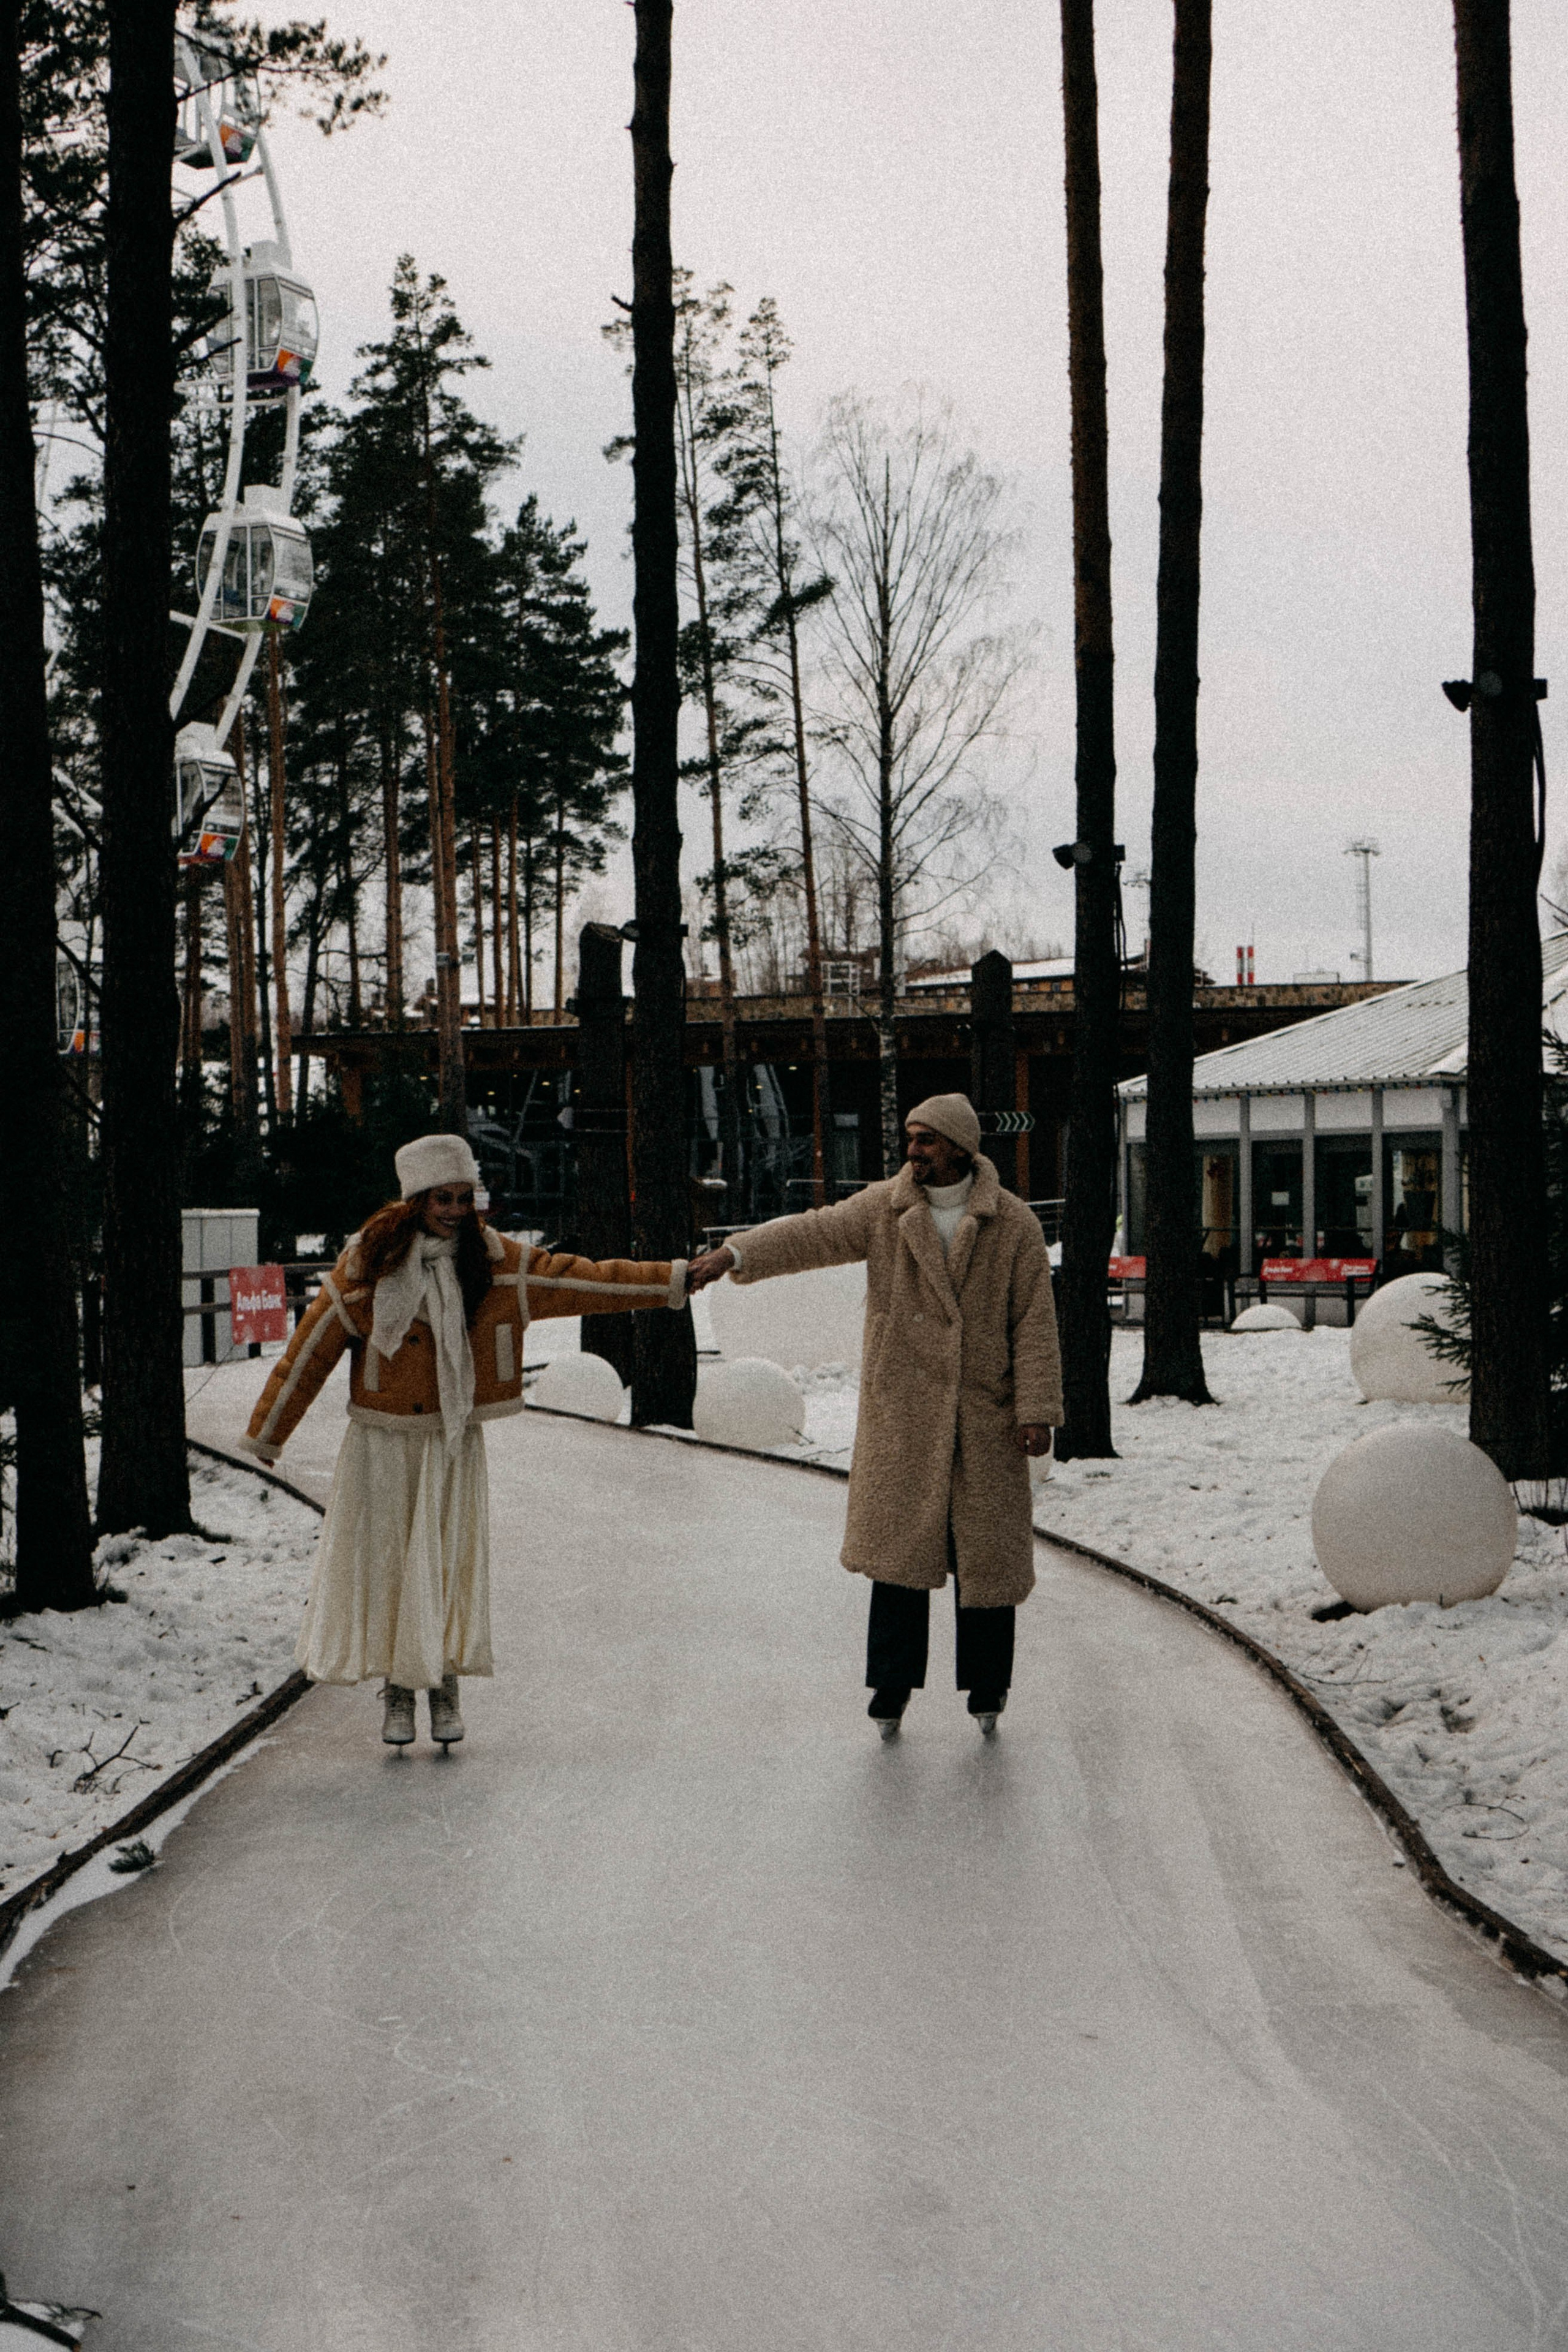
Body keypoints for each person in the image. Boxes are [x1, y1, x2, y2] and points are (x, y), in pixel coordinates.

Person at [241, 1134, 687, 1749]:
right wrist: (270, 1429)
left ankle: (445, 1685)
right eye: (441, 1198)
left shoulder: (496, 1262)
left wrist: (673, 1282)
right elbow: (309, 1352)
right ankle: (398, 1692)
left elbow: (587, 1281)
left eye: (463, 1197)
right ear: (414, 1200)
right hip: (384, 1438)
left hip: (453, 1438)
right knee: (393, 1565)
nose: (454, 1210)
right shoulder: (367, 1264)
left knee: (447, 1565)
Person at [688, 1095, 1061, 1738]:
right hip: (905, 1414)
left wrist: (1036, 1409)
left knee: (987, 1564)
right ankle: (890, 1688)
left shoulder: (1015, 1225)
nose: (912, 1151)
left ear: (959, 1148)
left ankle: (987, 1687)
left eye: (925, 1140)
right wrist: (736, 1255)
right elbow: (812, 1232)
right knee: (898, 1561)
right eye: (910, 1138)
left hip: (984, 1416)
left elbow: (1034, 1323)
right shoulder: (886, 1209)